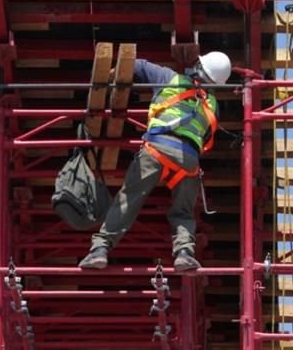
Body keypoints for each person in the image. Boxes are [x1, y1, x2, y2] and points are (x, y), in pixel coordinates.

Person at [78, 52, 232, 272]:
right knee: (183, 212)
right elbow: (206, 138)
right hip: (188, 161)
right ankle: (184, 253)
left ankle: (100, 249)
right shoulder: (212, 105)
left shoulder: (170, 78)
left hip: (157, 149)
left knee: (128, 199)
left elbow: (138, 65)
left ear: (198, 65)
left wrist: (111, 75)